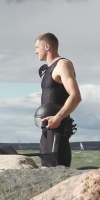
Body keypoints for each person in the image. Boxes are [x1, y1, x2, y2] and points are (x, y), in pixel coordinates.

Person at [34, 33, 81, 167]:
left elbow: (76, 96)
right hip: (46, 129)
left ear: (47, 46)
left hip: (58, 129)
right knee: (45, 170)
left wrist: (58, 118)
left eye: (37, 47)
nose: (35, 51)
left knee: (59, 171)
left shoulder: (62, 64)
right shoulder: (48, 69)